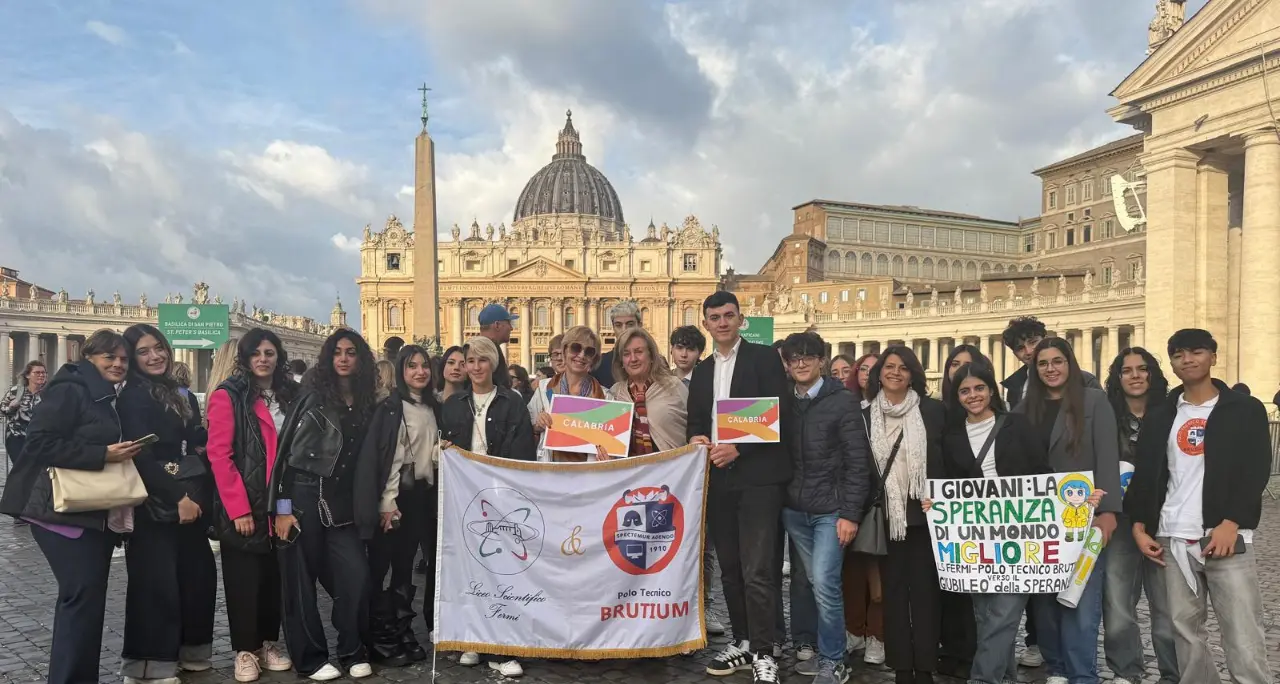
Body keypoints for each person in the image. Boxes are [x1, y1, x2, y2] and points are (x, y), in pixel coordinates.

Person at [1126, 329, 1274, 684]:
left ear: (1213, 356)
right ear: (1172, 363)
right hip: (1173, 534)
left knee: (1242, 631)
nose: (1187, 359)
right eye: (1178, 354)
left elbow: (1255, 468)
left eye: (1196, 352)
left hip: (1223, 534)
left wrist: (1232, 521)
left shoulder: (1244, 409)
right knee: (1185, 631)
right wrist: (1139, 524)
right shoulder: (1162, 414)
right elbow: (1148, 472)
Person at [0, 329, 142, 684]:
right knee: (80, 600)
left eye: (124, 358)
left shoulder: (104, 394)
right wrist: (102, 454)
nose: (118, 364)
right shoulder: (70, 390)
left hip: (89, 510)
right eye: (110, 357)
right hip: (59, 511)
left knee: (86, 602)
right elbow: (41, 442)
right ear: (88, 356)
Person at [686, 291, 790, 684]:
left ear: (740, 319)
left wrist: (739, 447)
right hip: (718, 478)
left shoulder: (764, 358)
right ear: (707, 323)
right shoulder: (702, 369)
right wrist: (697, 437)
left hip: (759, 477)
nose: (723, 322)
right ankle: (743, 641)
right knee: (730, 567)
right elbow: (696, 419)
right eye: (715, 317)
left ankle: (765, 651)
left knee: (759, 570)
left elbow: (777, 413)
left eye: (729, 315)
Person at [271, 329, 379, 681]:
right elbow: (285, 458)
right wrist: (283, 509)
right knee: (300, 585)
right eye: (337, 352)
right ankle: (311, 659)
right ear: (328, 358)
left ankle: (352, 649)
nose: (344, 358)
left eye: (351, 352)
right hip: (302, 497)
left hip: (341, 503)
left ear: (361, 359)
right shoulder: (312, 397)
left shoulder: (367, 403)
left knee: (356, 578)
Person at [934, 361, 1051, 684]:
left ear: (991, 390)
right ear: (957, 396)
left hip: (1020, 534)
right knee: (985, 617)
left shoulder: (1017, 425)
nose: (973, 396)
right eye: (965, 391)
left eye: (979, 388)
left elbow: (1042, 474)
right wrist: (936, 501)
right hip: (977, 538)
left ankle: (982, 679)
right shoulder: (953, 436)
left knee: (1003, 614)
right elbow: (949, 485)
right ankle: (1007, 678)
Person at [1015, 337, 1120, 684]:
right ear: (1035, 368)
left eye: (1057, 361)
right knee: (1043, 601)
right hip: (1039, 520)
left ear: (1070, 363)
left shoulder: (1094, 400)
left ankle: (1081, 674)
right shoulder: (1023, 407)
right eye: (1043, 363)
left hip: (1083, 516)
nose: (1051, 369)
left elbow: (1107, 456)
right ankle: (1056, 666)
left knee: (1080, 600)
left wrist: (1108, 511)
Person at [117, 324, 216, 683]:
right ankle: (149, 664)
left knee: (197, 575)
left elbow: (193, 439)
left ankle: (192, 649)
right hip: (153, 497)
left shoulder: (182, 394)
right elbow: (139, 455)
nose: (155, 356)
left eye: (158, 347)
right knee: (155, 581)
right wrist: (177, 498)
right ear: (132, 358)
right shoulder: (131, 397)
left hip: (189, 492)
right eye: (143, 351)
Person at [439, 335, 536, 678]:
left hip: (501, 499)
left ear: (493, 364)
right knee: (469, 570)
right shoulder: (451, 405)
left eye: (483, 360)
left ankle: (501, 644)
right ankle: (473, 638)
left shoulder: (512, 402)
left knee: (501, 571)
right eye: (471, 360)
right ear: (464, 366)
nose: (476, 367)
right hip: (463, 498)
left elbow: (522, 451)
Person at [207, 329, 298, 682]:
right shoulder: (228, 396)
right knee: (244, 578)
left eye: (269, 352)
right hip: (244, 502)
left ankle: (268, 642)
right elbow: (220, 454)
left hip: (279, 502)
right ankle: (245, 650)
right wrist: (239, 508)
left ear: (278, 357)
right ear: (244, 358)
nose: (263, 358)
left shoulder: (289, 396)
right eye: (256, 353)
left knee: (274, 576)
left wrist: (286, 507)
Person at [778, 332, 869, 684]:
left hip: (831, 509)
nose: (800, 363)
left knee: (825, 583)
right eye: (793, 358)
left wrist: (850, 513)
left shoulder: (842, 400)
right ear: (786, 364)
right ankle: (822, 649)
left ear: (821, 361)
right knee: (813, 581)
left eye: (807, 356)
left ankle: (834, 658)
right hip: (795, 508)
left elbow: (857, 460)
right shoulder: (782, 400)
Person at [862, 346, 946, 684]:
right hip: (887, 517)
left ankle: (925, 665)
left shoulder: (934, 411)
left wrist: (941, 496)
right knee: (893, 594)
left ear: (913, 374)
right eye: (889, 366)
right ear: (879, 372)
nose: (896, 372)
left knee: (926, 592)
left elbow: (947, 460)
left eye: (904, 367)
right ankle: (901, 666)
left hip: (927, 514)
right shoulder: (865, 415)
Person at [1101, 347, 1177, 684]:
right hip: (1119, 522)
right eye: (1127, 370)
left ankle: (1172, 673)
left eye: (1142, 368)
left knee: (1167, 606)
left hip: (1163, 519)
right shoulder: (1105, 417)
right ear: (1118, 378)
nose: (1135, 375)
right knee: (1117, 604)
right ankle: (1125, 670)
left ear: (1153, 374)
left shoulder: (1172, 414)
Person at [362, 345, 439, 668]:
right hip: (397, 498)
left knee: (406, 567)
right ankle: (379, 633)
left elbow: (428, 453)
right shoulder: (392, 408)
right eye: (412, 366)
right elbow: (391, 457)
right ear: (401, 371)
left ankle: (402, 627)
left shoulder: (432, 407)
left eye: (424, 366)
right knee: (382, 566)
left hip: (422, 495)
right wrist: (387, 503)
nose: (420, 371)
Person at [840, 351, 884, 665]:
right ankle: (854, 629)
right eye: (863, 368)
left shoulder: (895, 410)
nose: (868, 374)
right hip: (853, 497)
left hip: (884, 501)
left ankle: (877, 635)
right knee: (851, 573)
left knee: (878, 575)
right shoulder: (848, 408)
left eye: (875, 369)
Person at [530, 326, 613, 462]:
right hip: (551, 474)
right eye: (576, 348)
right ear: (564, 351)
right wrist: (539, 423)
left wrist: (608, 455)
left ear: (594, 359)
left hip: (589, 475)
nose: (581, 355)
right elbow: (529, 427)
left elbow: (611, 444)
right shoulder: (543, 389)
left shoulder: (606, 397)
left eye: (589, 352)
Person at [610, 327, 688, 457]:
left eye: (638, 352)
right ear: (622, 361)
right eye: (626, 354)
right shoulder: (615, 393)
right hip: (628, 472)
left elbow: (693, 428)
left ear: (651, 356)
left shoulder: (674, 386)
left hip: (672, 469)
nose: (633, 359)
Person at [2, 360, 46, 465]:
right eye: (37, 372)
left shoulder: (48, 392)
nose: (41, 375)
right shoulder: (16, 391)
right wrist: (11, 407)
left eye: (43, 373)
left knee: (37, 470)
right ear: (27, 375)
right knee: (21, 468)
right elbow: (2, 409)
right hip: (17, 437)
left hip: (39, 439)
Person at [591, 300, 641, 387]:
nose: (624, 330)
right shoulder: (600, 364)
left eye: (630, 324)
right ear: (613, 328)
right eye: (618, 325)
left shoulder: (657, 362)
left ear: (639, 326)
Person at [477, 303, 517, 388]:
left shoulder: (478, 348)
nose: (511, 328)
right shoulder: (487, 350)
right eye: (508, 323)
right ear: (497, 325)